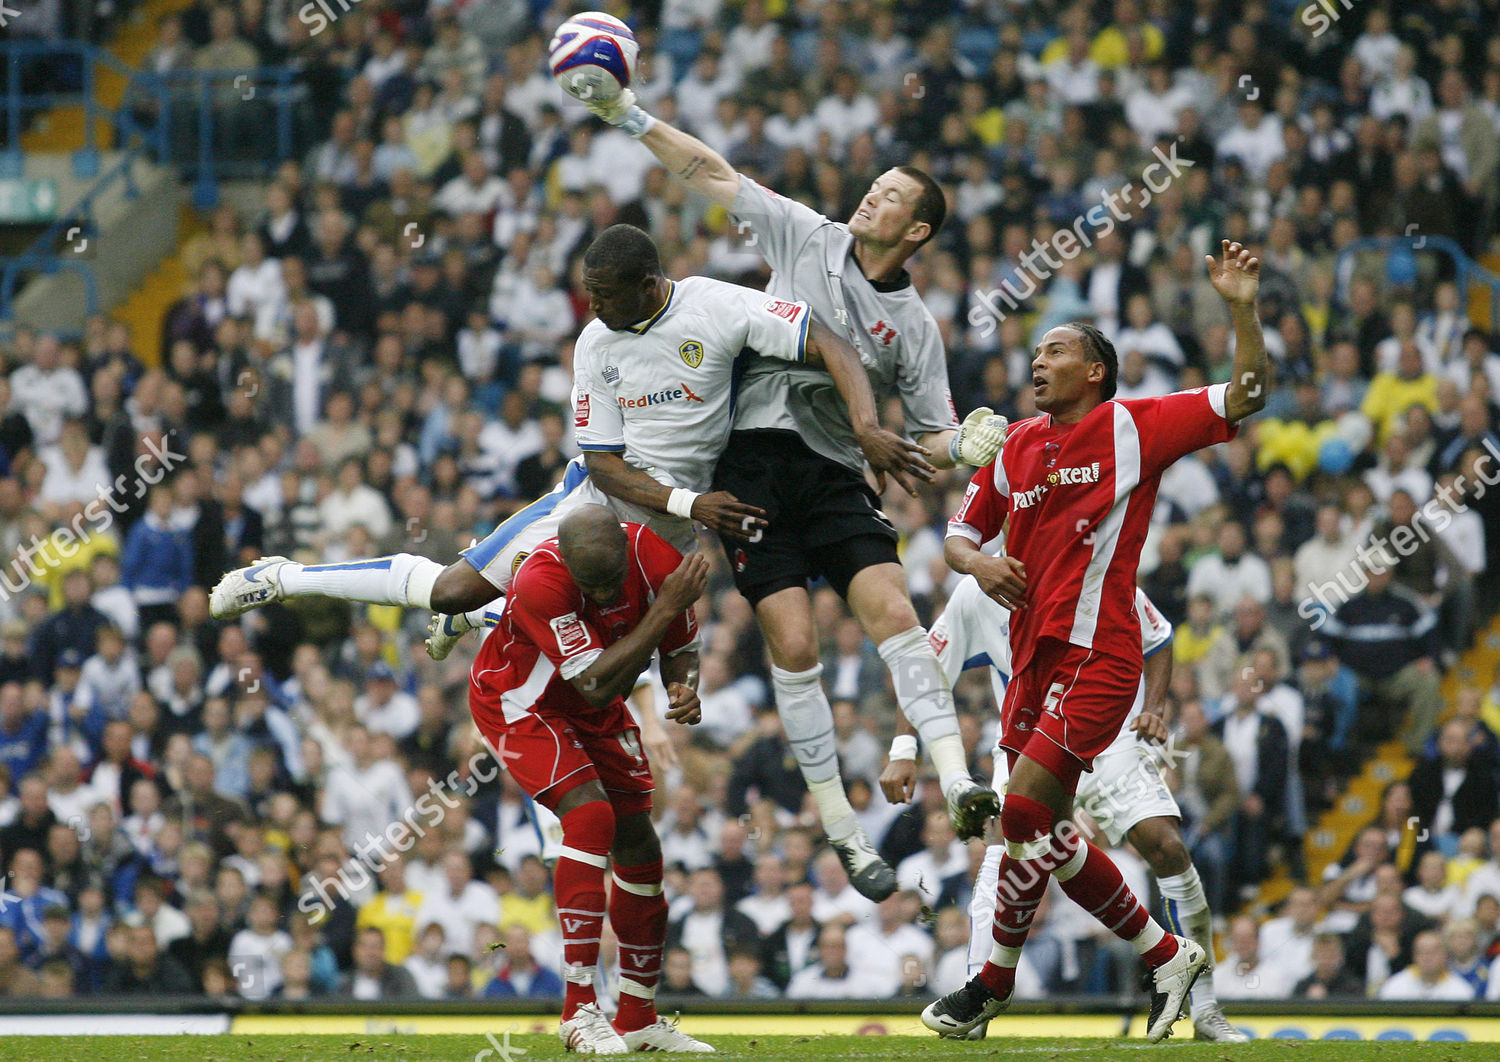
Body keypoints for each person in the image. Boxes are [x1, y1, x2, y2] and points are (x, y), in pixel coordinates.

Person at [210, 224, 928, 899]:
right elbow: (605, 463)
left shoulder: (715, 306)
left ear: (647, 284)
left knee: (599, 666)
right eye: (588, 293)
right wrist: (689, 504)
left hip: (670, 533)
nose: (592, 307)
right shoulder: (595, 342)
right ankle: (284, 576)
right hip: (591, 508)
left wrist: (865, 426)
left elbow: (825, 336)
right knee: (452, 588)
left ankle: (495, 620)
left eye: (604, 294)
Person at [573, 79, 1011, 897]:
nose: (870, 196)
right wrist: (629, 116)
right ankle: (844, 832)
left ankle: (958, 780)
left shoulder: (915, 326)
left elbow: (931, 434)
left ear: (916, 231)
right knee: (797, 646)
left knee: (895, 614)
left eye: (889, 196)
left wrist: (967, 445)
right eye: (873, 185)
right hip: (753, 463)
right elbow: (710, 171)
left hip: (838, 472)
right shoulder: (808, 234)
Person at [919, 241, 1268, 1043]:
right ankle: (1139, 959)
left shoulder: (1133, 426)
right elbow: (958, 536)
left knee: (1024, 814)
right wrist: (980, 562)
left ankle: (1018, 980)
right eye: (1037, 352)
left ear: (1095, 371)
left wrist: (1242, 309)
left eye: (1056, 351)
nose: (1038, 362)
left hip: (1098, 655)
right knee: (1032, 834)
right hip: (1030, 661)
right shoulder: (1013, 445)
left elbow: (1248, 394)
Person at [882, 578, 1244, 1040]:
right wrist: (903, 747)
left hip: (1110, 735)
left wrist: (1154, 708)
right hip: (1028, 740)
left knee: (1166, 845)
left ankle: (1206, 1009)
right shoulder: (977, 590)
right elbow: (923, 669)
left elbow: (1158, 637)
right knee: (1010, 847)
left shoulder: (1095, 567)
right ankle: (980, 994)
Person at [466, 504, 713, 1053]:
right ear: (568, 562)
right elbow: (598, 685)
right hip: (520, 701)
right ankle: (578, 1009)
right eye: (590, 584)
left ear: (626, 550)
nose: (601, 594)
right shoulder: (540, 580)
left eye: (609, 582)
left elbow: (680, 649)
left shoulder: (657, 560)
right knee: (591, 815)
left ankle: (639, 1017)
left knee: (640, 845)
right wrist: (665, 606)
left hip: (592, 702)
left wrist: (682, 685)